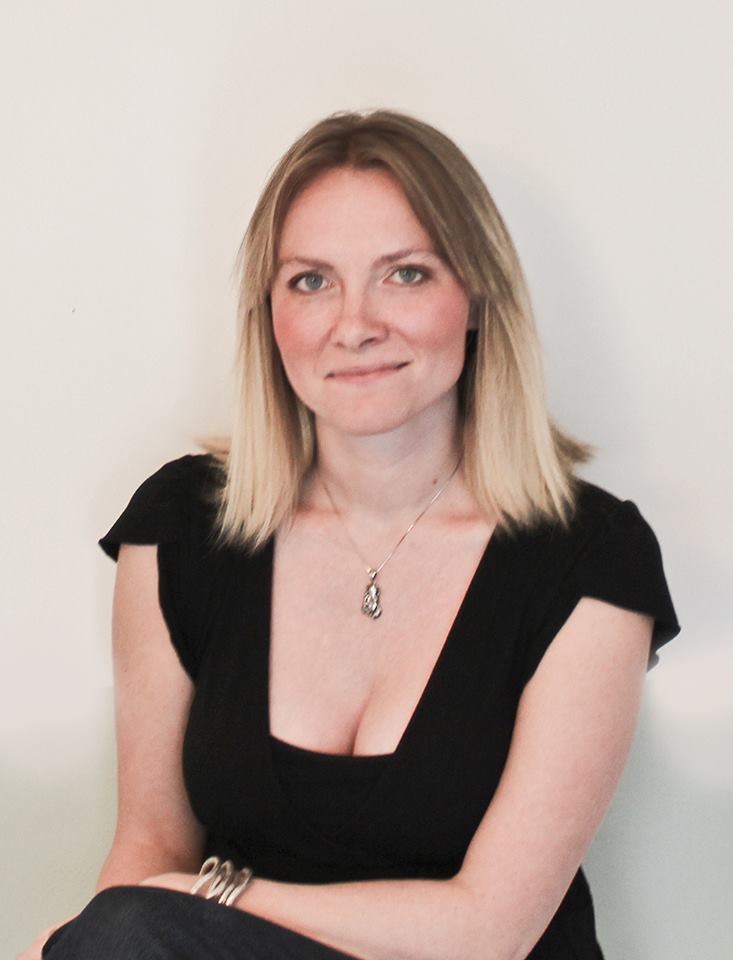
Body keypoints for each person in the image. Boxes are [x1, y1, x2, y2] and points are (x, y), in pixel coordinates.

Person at [24, 109, 680, 960]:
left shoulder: (588, 556)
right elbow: (149, 852)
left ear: (476, 297)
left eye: (405, 274)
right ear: (268, 313)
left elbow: (489, 930)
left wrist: (207, 895)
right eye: (311, 281)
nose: (355, 322)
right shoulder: (181, 527)